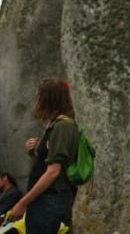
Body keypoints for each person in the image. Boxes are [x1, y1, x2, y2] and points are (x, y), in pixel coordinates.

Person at [7, 78, 79, 233]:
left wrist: (22, 202)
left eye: (38, 97)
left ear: (49, 99)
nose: (36, 101)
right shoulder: (54, 125)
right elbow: (50, 163)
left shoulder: (63, 126)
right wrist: (35, 153)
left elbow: (53, 172)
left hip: (51, 201)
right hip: (44, 201)